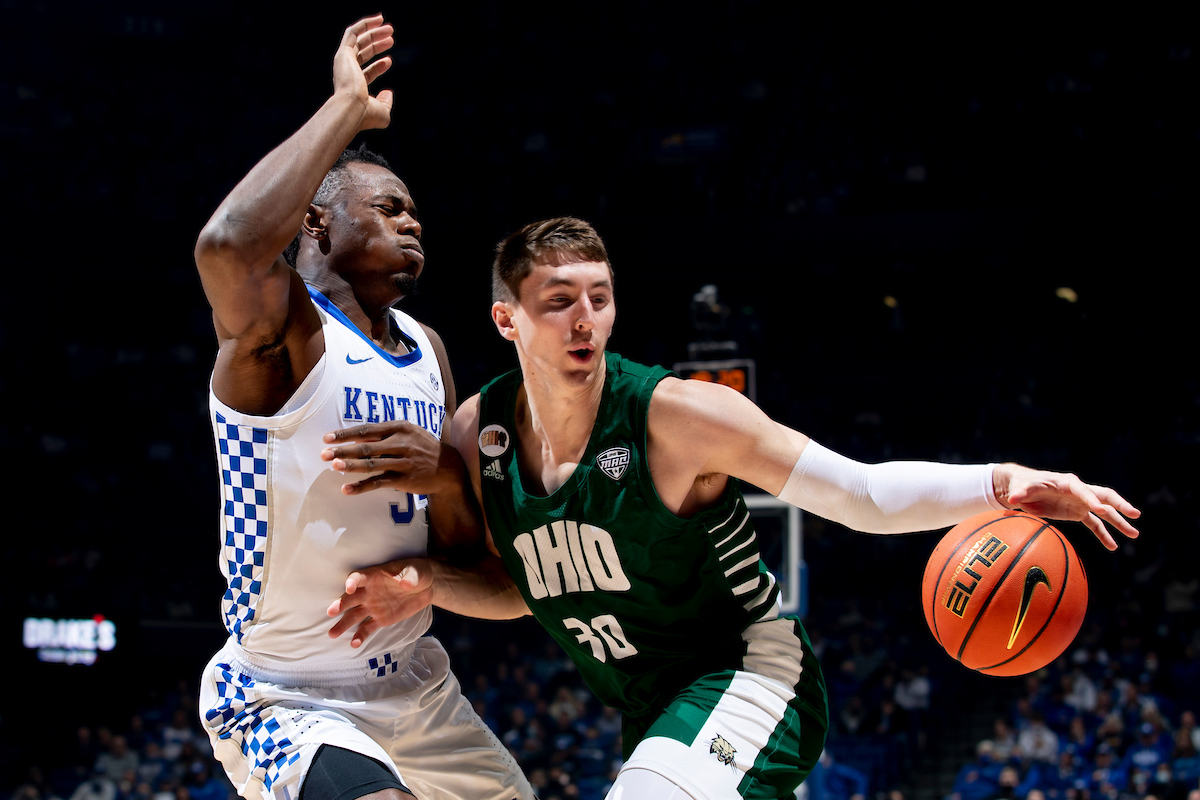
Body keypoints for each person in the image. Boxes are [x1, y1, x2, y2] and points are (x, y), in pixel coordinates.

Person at [324, 217, 1141, 799]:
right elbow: (519, 589)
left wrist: (1003, 483)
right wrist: (426, 580)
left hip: (750, 671)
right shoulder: (481, 433)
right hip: (648, 703)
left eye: (600, 298)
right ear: (507, 319)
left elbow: (859, 494)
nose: (586, 321)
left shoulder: (680, 416)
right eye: (559, 301)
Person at [193, 14, 532, 800]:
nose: (413, 221)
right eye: (388, 207)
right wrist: (346, 107)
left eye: (414, 211)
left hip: (416, 687)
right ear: (316, 221)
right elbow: (227, 246)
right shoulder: (285, 335)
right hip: (289, 689)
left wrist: (447, 480)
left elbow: (466, 550)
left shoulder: (428, 348)